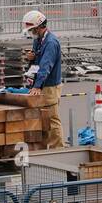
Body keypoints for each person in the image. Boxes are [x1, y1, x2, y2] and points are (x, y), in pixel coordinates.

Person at [23, 10, 64, 150]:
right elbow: (37, 64)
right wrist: (31, 58)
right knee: (42, 121)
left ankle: (57, 151)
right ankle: (45, 150)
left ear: (39, 27)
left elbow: (45, 67)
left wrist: (37, 86)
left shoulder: (51, 43)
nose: (31, 33)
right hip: (41, 85)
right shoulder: (39, 41)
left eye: (32, 30)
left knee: (52, 120)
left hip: (49, 87)